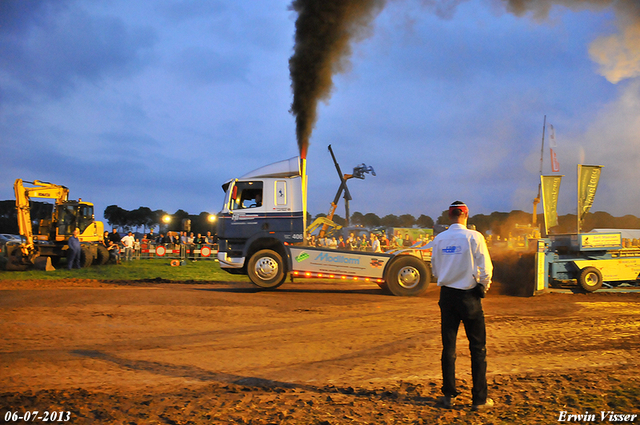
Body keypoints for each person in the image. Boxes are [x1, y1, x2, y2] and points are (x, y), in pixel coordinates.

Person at [430, 201, 493, 411]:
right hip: (469, 295)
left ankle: (448, 395)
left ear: (450, 216)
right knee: (477, 348)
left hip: (447, 296)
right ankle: (479, 399)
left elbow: (435, 270)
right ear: (466, 215)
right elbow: (485, 266)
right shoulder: (474, 237)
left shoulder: (439, 239)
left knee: (448, 347)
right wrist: (483, 286)